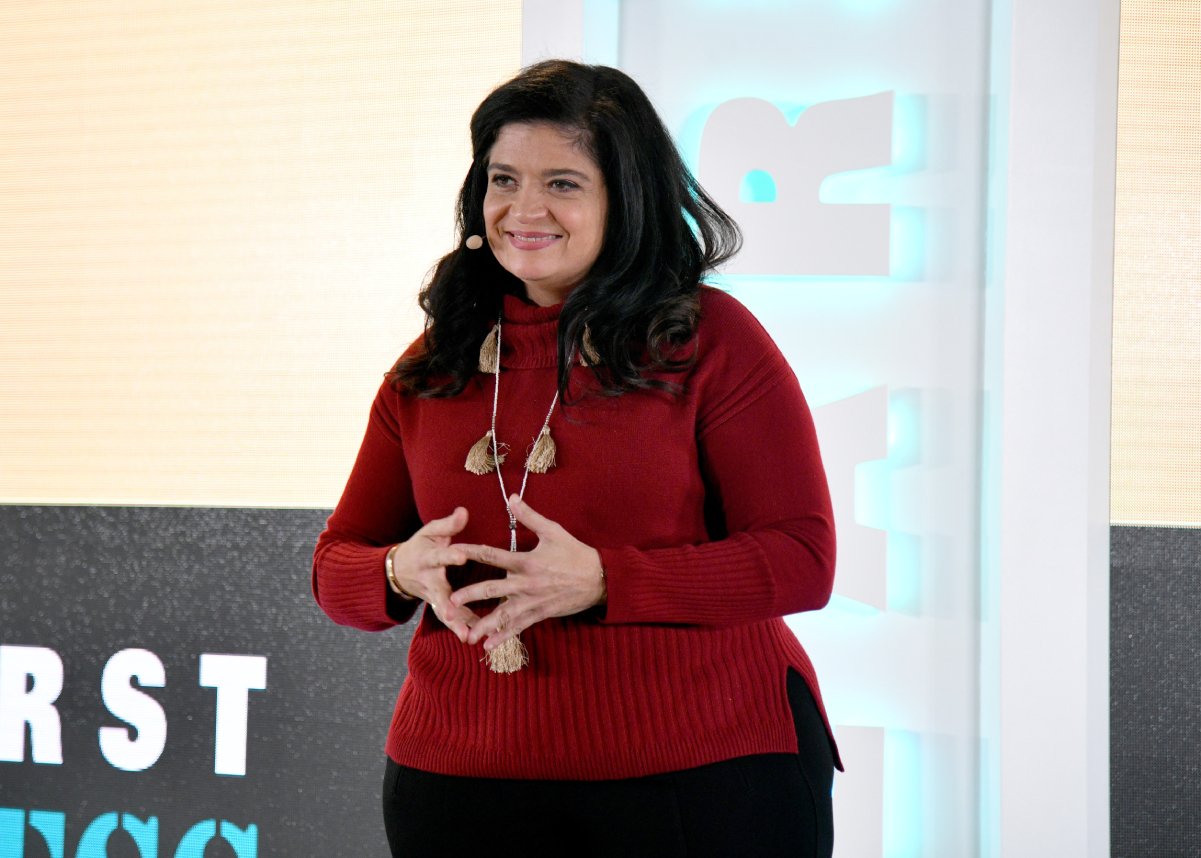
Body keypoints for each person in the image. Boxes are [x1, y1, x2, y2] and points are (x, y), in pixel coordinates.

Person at [312, 59, 840, 857]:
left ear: (625, 200)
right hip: (460, 786)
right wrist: (396, 572)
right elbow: (335, 569)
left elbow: (802, 560)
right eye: (502, 179)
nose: (523, 210)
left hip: (703, 778)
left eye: (562, 183)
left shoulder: (712, 340)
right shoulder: (433, 361)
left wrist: (607, 581)